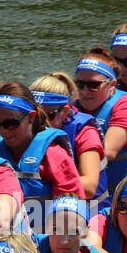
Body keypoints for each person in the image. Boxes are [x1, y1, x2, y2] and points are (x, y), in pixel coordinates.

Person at [0, 82, 84, 228]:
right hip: (2, 243)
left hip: (46, 243)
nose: (3, 131)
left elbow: (73, 210)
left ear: (31, 117)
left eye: (11, 124)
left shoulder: (54, 155)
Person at [33, 72, 107, 210]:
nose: (42, 123)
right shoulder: (24, 129)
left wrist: (37, 183)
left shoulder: (85, 132)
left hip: (89, 212)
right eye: (36, 116)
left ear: (65, 110)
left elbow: (90, 186)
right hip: (42, 212)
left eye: (50, 115)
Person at [73, 49, 127, 190]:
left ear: (112, 84)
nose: (84, 91)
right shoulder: (69, 106)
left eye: (93, 85)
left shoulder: (126, 105)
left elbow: (109, 152)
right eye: (79, 84)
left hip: (122, 193)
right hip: (84, 190)